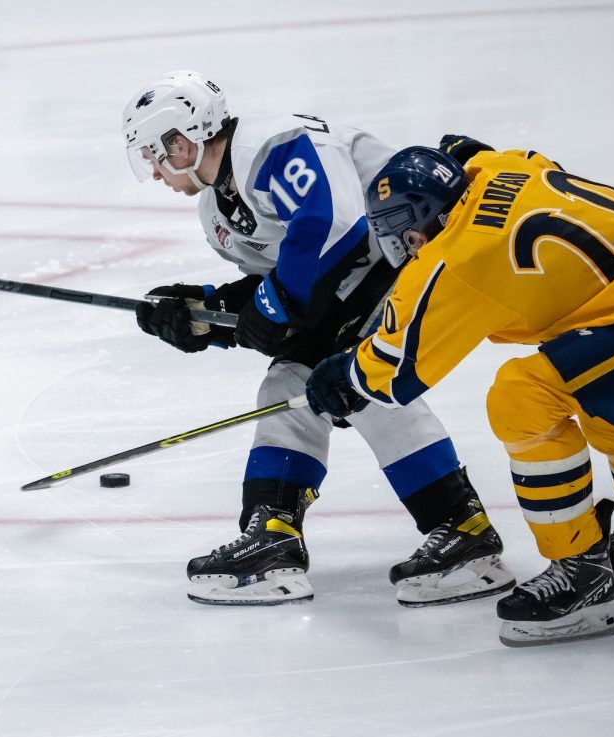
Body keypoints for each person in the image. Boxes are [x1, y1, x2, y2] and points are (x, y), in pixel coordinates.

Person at [306, 137, 614, 645]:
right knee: (608, 397)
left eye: (399, 228)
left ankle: (580, 569)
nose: (402, 243)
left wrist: (343, 378)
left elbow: (395, 370)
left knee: (523, 395)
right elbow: (513, 160)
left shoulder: (454, 261)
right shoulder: (496, 168)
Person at [121, 71, 515, 606]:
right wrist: (203, 314)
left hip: (429, 245)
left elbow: (335, 227)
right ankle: (274, 536)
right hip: (380, 267)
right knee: (294, 380)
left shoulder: (271, 145)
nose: (154, 169)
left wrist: (270, 304)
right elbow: (289, 292)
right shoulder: (218, 211)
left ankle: (464, 531)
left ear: (183, 139)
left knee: (356, 374)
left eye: (154, 153)